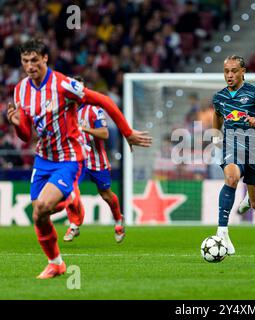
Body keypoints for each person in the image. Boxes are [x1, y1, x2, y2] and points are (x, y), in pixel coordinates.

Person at [6, 39, 151, 279]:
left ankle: (72, 203)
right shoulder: (21, 89)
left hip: (69, 158)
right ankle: (56, 263)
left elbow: (104, 100)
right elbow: (25, 135)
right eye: (25, 61)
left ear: (45, 59)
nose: (29, 66)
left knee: (43, 206)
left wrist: (128, 132)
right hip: (43, 159)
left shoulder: (63, 84)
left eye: (34, 60)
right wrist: (16, 125)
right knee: (39, 214)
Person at [212, 55, 255, 254]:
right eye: (226, 71)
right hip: (231, 146)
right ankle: (222, 232)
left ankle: (249, 201)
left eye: (234, 71)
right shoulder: (219, 97)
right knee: (231, 178)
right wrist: (216, 138)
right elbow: (217, 115)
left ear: (243, 72)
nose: (229, 75)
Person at [63, 76, 125, 243]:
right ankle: (74, 225)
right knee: (69, 190)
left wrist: (83, 128)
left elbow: (104, 133)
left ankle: (118, 219)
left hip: (96, 159)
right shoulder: (64, 110)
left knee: (106, 194)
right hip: (75, 159)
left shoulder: (94, 109)